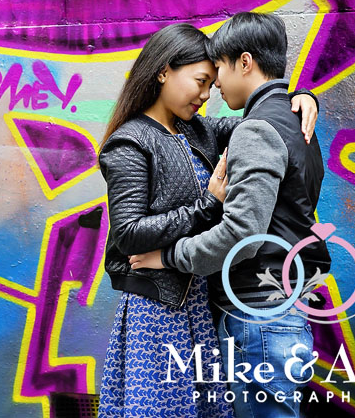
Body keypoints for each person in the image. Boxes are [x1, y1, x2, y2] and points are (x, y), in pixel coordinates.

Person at [98, 22, 318, 418]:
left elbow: (263, 122)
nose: (207, 94)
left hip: (201, 306)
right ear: (163, 71)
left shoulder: (198, 129)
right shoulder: (130, 143)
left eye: (212, 82)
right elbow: (128, 233)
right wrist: (206, 204)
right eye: (201, 81)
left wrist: (299, 97)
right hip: (159, 310)